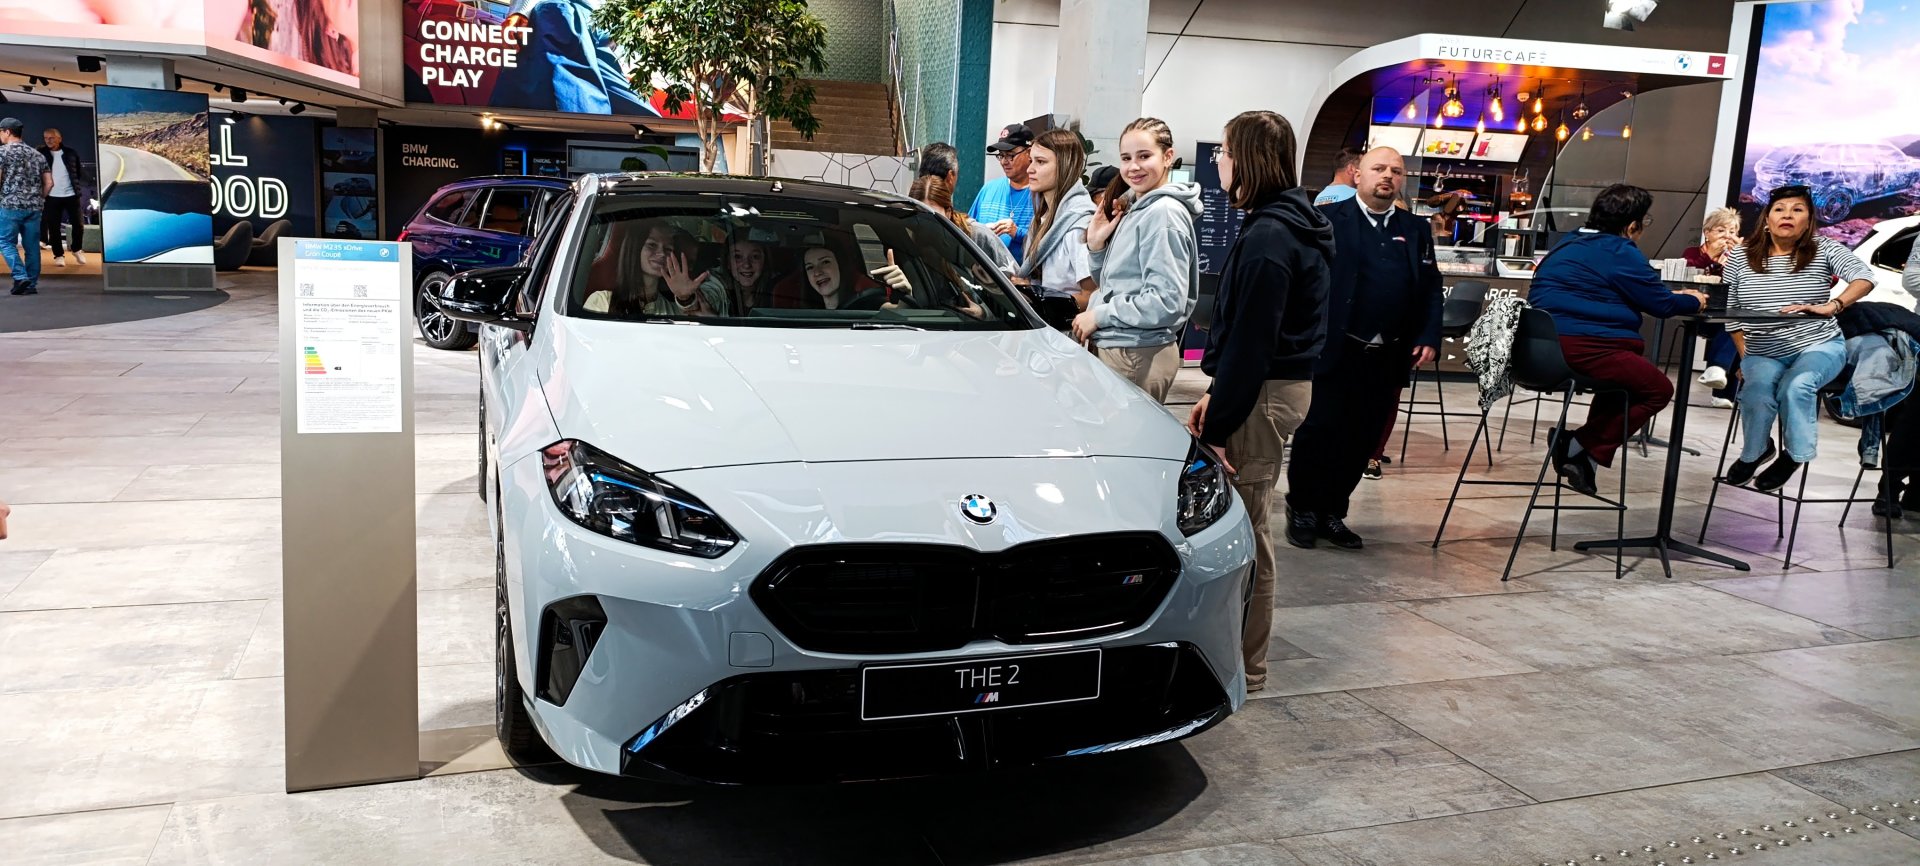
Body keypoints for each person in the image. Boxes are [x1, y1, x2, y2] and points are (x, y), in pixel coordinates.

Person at [1185, 110, 1331, 694]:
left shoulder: (1272, 235)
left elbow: (1253, 342)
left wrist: (1221, 424)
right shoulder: (1281, 223)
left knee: (1246, 532)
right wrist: (1217, 393)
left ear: (1245, 158)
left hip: (1264, 393)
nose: (1218, 161)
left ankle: (1245, 666)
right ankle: (1241, 660)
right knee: (1248, 523)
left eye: (1224, 151)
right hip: (1265, 389)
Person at [1283, 146, 1443, 550]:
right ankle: (1303, 508)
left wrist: (1428, 336)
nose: (1387, 176)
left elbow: (1430, 287)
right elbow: (1304, 281)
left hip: (1387, 354)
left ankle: (1333, 512)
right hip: (1335, 349)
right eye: (1378, 168)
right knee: (1318, 431)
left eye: (1396, 171)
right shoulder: (1326, 220)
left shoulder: (1416, 229)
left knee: (1362, 437)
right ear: (1357, 174)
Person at [1525, 184, 1708, 495]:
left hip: (1536, 351)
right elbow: (1661, 305)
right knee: (1658, 389)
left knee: (1624, 381)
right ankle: (1577, 444)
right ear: (1632, 225)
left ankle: (1584, 460)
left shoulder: (1568, 242)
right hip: (1583, 348)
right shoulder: (1619, 251)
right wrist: (1694, 300)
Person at [1722, 183, 1877, 491]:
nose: (1787, 215)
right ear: (1767, 218)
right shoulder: (1740, 257)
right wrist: (1745, 357)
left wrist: (1834, 305)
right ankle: (1755, 452)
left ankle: (1795, 454)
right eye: (1779, 209)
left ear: (1808, 220)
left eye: (1797, 210)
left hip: (1818, 345)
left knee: (1797, 386)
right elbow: (1731, 312)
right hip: (1763, 349)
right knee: (1755, 392)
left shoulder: (1825, 247)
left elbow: (1865, 277)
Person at [1072, 117, 1202, 401]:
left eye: (1144, 156)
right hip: (1123, 347)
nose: (1133, 166)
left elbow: (1166, 301)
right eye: (1126, 158)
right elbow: (1113, 284)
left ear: (1167, 156)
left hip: (1135, 352)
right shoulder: (1137, 207)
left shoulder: (1163, 213)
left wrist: (1100, 315)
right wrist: (1096, 246)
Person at [492, 0, 649, 115]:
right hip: (563, 14)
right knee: (574, 104)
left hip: (597, 28)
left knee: (642, 118)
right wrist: (521, 10)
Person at [1017, 128, 1096, 330]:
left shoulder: (1080, 224)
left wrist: (1039, 301)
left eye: (1040, 162)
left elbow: (1093, 295)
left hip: (1069, 336)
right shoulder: (1041, 220)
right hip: (1044, 331)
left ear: (1064, 165)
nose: (1030, 169)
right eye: (1031, 160)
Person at [583, 223, 728, 316]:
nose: (661, 254)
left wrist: (685, 298)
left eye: (668, 249)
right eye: (652, 245)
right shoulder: (602, 302)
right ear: (635, 249)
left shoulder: (674, 310)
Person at [1684, 206, 1743, 407]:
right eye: (1721, 230)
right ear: (1707, 233)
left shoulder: (1737, 256)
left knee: (1737, 323)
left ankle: (1721, 390)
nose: (1727, 236)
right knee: (1732, 324)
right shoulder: (1692, 253)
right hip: (1698, 311)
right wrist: (1709, 256)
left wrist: (1742, 257)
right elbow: (1689, 276)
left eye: (1732, 232)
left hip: (1726, 314)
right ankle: (1717, 371)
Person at [908, 174, 1015, 275]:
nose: (927, 223)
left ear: (948, 212)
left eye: (932, 216)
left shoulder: (977, 237)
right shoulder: (908, 239)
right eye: (920, 216)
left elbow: (1015, 279)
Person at [969, 121, 1036, 261]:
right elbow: (968, 229)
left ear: (1029, 153)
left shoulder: (1041, 196)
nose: (1004, 162)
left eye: (1010, 155)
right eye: (1001, 155)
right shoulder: (988, 189)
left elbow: (1047, 245)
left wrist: (1017, 233)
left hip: (1022, 274)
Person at [0, 117, 50, 296]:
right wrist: (38, 198)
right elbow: (49, 183)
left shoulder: (2, 153)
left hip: (10, 205)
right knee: (32, 247)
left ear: (7, 132)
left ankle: (20, 276)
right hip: (34, 207)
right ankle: (31, 285)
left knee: (5, 242)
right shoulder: (37, 154)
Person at [37, 128, 88, 267]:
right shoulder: (41, 154)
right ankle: (58, 255)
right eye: (46, 138)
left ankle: (77, 249)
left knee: (79, 225)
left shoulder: (71, 153)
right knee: (54, 228)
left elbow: (78, 172)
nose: (48, 140)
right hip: (51, 197)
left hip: (71, 195)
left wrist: (76, 187)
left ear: (59, 138)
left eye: (51, 137)